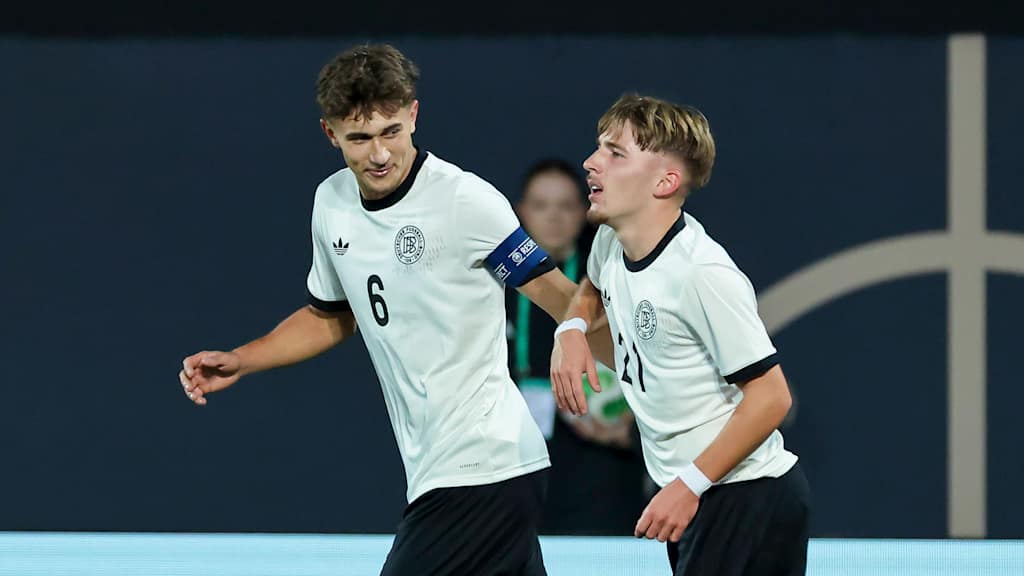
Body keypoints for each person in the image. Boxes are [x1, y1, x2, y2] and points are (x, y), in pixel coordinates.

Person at [177, 43, 579, 575]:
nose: (380, 154)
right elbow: (332, 314)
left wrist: (653, 375)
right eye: (360, 138)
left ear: (413, 114)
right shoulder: (332, 204)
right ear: (330, 133)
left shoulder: (466, 201)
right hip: (442, 469)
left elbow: (558, 298)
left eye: (391, 131)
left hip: (485, 464)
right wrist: (243, 358)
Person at [550, 94, 810, 575]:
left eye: (614, 153)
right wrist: (571, 328)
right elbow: (592, 286)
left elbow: (772, 398)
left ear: (666, 182)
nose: (590, 163)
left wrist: (689, 484)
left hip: (744, 496)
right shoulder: (610, 240)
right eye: (598, 148)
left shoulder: (702, 273)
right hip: (697, 494)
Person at [506, 158, 647, 535]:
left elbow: (655, 368)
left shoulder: (611, 280)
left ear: (584, 212)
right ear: (521, 212)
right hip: (516, 469)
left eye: (565, 206)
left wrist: (627, 431)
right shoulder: (488, 288)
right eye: (540, 206)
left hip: (600, 470)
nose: (553, 217)